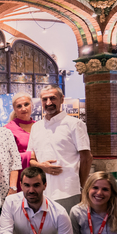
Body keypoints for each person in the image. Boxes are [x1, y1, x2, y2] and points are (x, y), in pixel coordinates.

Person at [28, 85, 93, 213]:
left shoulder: (75, 124)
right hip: (42, 190)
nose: (48, 103)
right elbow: (31, 158)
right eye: (44, 99)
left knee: (67, 230)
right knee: (45, 230)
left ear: (62, 99)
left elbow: (86, 158)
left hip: (68, 190)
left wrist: (81, 187)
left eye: (53, 98)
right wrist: (42, 166)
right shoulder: (36, 127)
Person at [4, 93, 34, 192]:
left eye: (26, 104)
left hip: (38, 174)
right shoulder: (8, 129)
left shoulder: (40, 126)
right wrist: (30, 155)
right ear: (14, 109)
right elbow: (6, 158)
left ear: (32, 105)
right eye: (19, 106)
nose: (23, 108)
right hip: (19, 175)